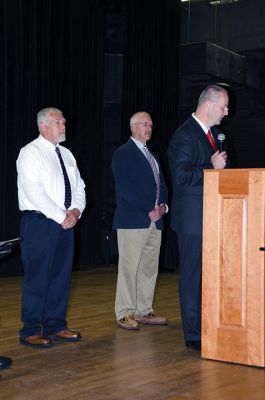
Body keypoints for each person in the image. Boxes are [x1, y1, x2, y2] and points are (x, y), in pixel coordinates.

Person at [16, 107, 86, 348]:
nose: (64, 125)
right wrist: (61, 216)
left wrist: (76, 211)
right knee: (38, 278)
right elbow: (34, 191)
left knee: (61, 277)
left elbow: (79, 187)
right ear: (43, 126)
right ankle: (31, 330)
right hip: (39, 223)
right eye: (58, 122)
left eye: (64, 121)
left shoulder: (67, 154)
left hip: (65, 223)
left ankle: (56, 325)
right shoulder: (30, 152)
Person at [167, 85, 229, 351]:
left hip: (211, 216)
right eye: (223, 107)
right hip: (193, 221)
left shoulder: (213, 134)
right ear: (207, 105)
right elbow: (180, 177)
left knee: (210, 277)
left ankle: (208, 324)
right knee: (192, 278)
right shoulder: (184, 135)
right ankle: (194, 334)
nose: (227, 112)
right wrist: (211, 169)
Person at [111, 111, 168, 330]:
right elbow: (126, 188)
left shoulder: (152, 156)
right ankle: (124, 312)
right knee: (129, 268)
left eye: (151, 124)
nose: (149, 127)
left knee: (149, 268)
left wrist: (162, 208)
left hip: (156, 221)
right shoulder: (122, 154)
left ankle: (144, 310)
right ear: (133, 127)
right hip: (133, 220)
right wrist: (149, 209)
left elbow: (163, 186)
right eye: (145, 124)